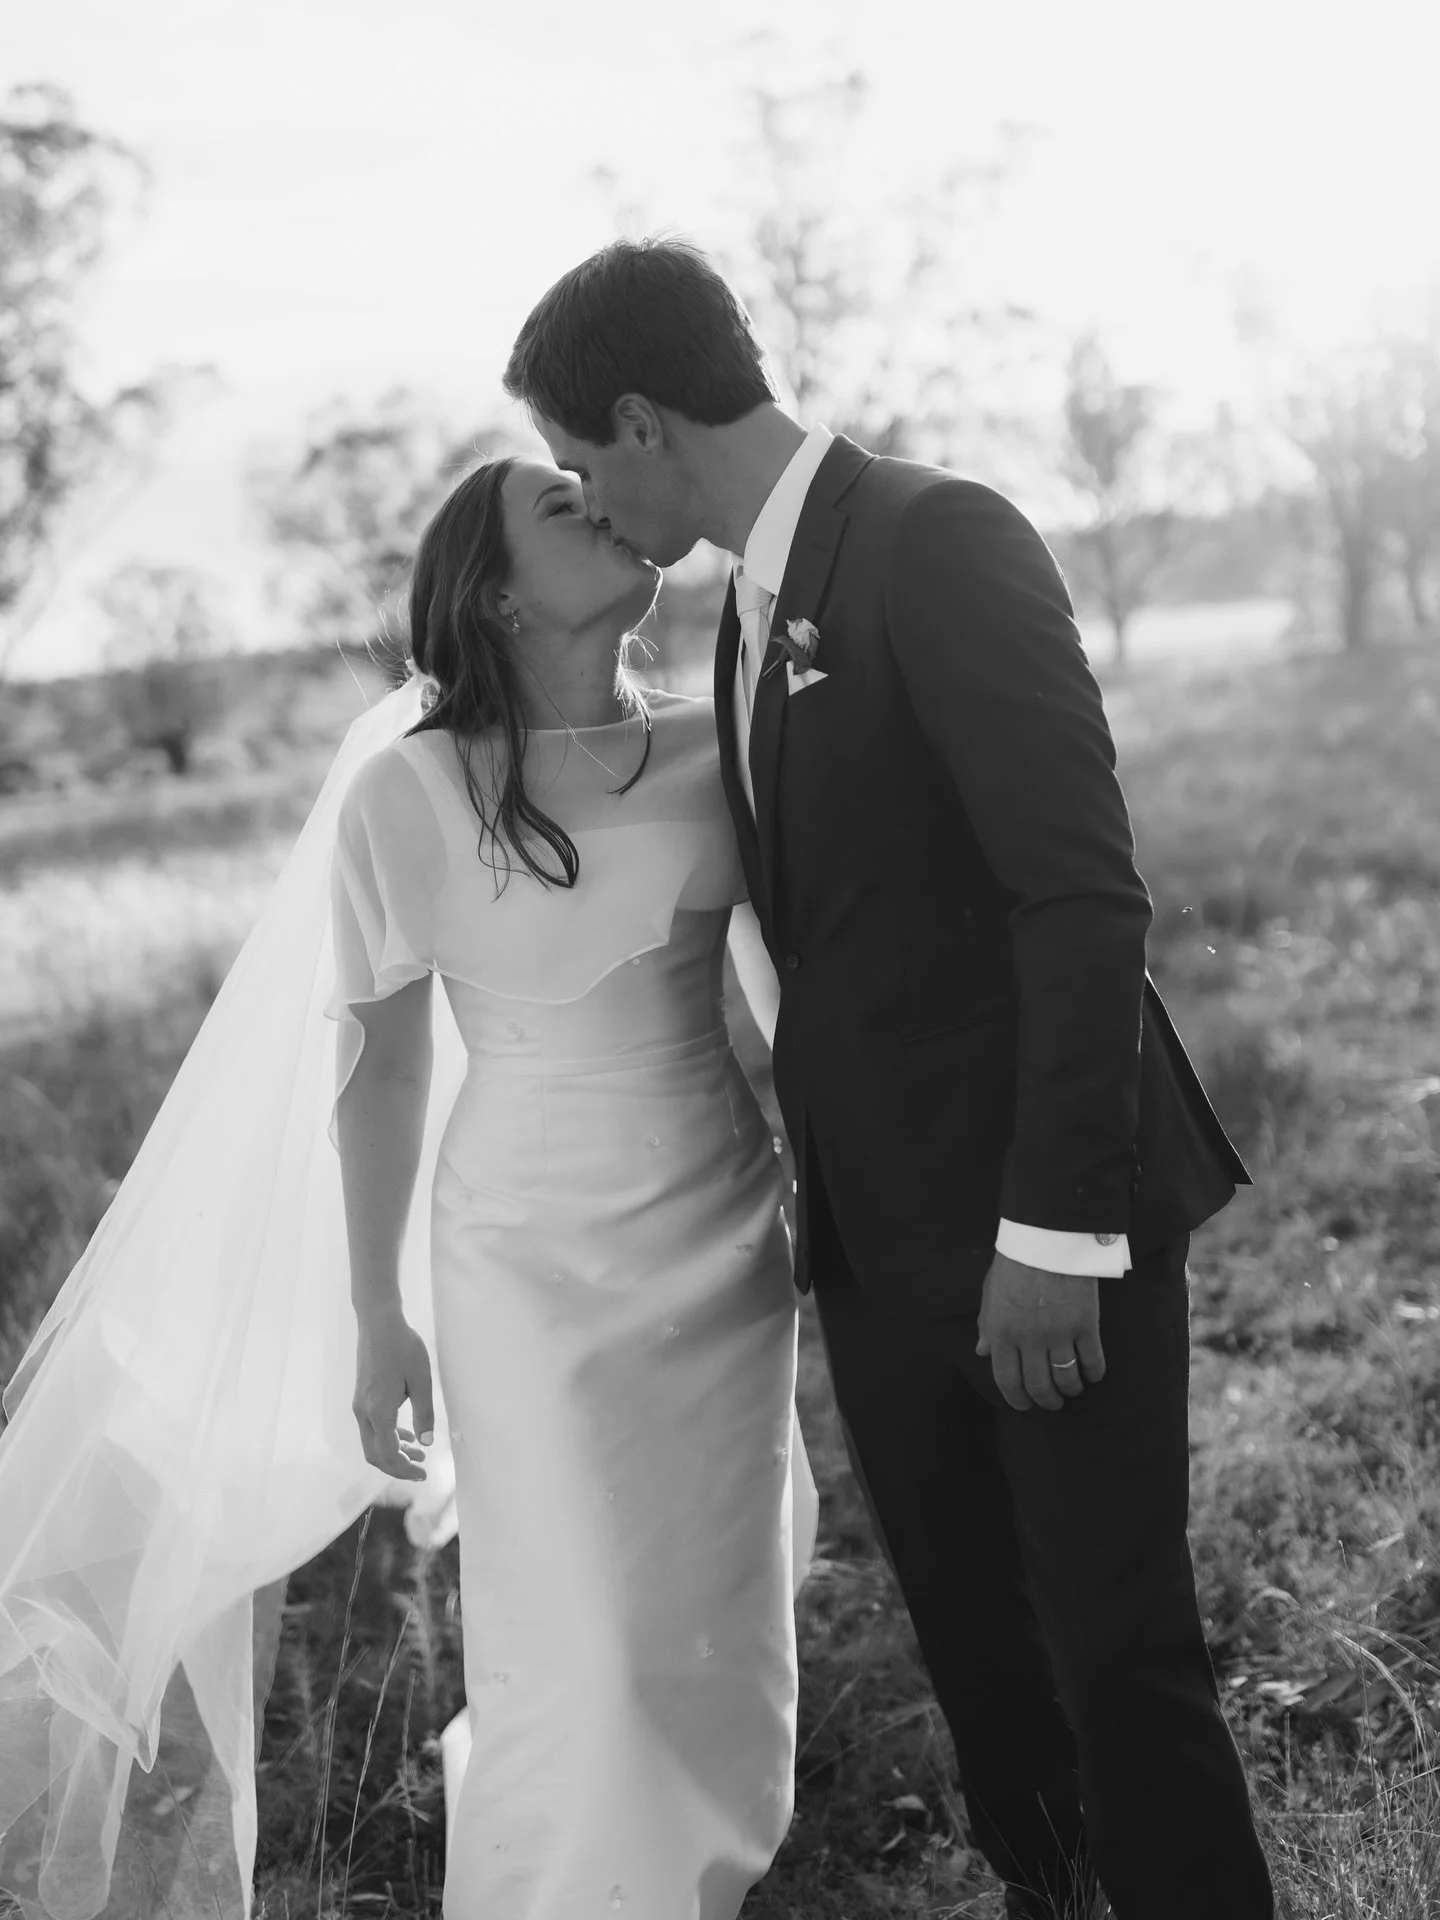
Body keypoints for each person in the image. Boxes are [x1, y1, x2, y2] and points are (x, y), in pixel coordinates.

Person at [503, 235, 1276, 1920]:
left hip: (1037, 1226)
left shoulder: (938, 538)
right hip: (876, 1244)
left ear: (641, 417)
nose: (584, 498)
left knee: (1117, 1653)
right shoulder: (737, 612)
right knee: (986, 1666)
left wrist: (1051, 1238)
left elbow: (1081, 895)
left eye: (577, 463)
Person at [0, 452, 817, 1920]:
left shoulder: (719, 753)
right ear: (495, 591)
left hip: (717, 1233)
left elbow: (784, 996)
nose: (608, 512)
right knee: (582, 1636)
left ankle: (696, 1886)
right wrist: (380, 1309)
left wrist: (832, 1168)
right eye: (562, 509)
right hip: (522, 1262)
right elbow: (377, 1075)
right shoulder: (407, 791)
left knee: (715, 1624)